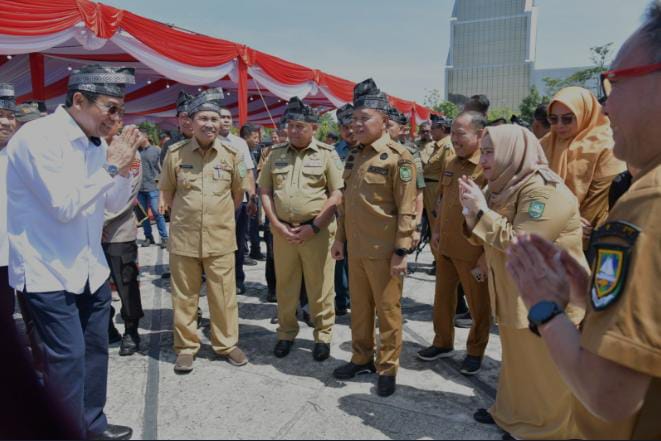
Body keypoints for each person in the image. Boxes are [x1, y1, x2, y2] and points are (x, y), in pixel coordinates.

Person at [505, 4, 661, 438]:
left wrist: (544, 308)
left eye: (614, 85)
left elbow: (609, 395)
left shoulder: (648, 203)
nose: (608, 108)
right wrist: (592, 291)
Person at [7, 65, 138, 439]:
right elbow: (64, 206)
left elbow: (109, 202)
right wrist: (112, 163)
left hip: (89, 268)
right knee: (66, 363)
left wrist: (124, 169)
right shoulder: (38, 138)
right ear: (79, 100)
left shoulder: (95, 143)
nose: (116, 118)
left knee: (95, 354)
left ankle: (92, 426)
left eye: (120, 110)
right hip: (49, 271)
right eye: (110, 108)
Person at [457, 124, 593, 439]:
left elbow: (523, 241)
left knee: (548, 374)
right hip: (513, 293)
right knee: (519, 367)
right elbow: (483, 237)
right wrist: (472, 213)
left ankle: (547, 430)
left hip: (548, 298)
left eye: (491, 151)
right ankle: (513, 415)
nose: (483, 159)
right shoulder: (500, 185)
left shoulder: (545, 190)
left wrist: (480, 211)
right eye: (484, 150)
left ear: (512, 151)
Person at [331, 78, 417, 397]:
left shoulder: (399, 157)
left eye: (364, 118)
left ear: (384, 121)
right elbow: (346, 203)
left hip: (384, 252)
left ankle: (387, 366)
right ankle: (361, 357)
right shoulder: (354, 155)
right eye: (354, 118)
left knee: (388, 312)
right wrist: (339, 239)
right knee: (361, 310)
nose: (357, 124)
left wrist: (401, 250)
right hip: (356, 249)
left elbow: (407, 210)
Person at [159, 88, 250, 373]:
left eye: (214, 118)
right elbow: (167, 194)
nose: (210, 123)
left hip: (221, 237)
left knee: (223, 295)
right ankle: (186, 347)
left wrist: (216, 218)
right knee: (184, 296)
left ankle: (226, 344)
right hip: (184, 238)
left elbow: (238, 195)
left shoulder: (232, 154)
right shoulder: (174, 154)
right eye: (203, 118)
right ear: (191, 121)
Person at [259, 97, 343, 361]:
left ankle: (323, 335)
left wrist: (315, 226)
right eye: (291, 126)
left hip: (316, 233)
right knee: (286, 286)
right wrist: (275, 223)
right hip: (283, 232)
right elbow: (265, 190)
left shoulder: (327, 154)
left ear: (314, 128)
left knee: (320, 288)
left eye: (300, 126)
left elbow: (337, 194)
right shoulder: (275, 154)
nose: (293, 131)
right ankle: (285, 333)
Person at [418, 112, 491, 376]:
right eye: (453, 133)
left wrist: (485, 254)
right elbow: (440, 201)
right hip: (445, 245)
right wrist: (436, 230)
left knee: (478, 304)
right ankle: (442, 342)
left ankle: (474, 351)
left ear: (480, 134)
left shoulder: (487, 166)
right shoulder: (450, 161)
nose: (454, 139)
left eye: (461, 133)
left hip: (472, 248)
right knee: (443, 299)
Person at [541, 86, 626, 246]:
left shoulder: (606, 147)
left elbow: (596, 203)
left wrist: (567, 228)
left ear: (585, 114)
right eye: (553, 119)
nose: (559, 125)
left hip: (586, 239)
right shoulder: (545, 143)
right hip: (546, 232)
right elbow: (531, 189)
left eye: (567, 119)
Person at [103, 122, 144, 357]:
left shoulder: (129, 151)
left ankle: (131, 330)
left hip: (118, 229)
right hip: (88, 231)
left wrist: (102, 222)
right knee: (95, 286)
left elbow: (130, 192)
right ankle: (106, 326)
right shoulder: (87, 147)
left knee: (126, 282)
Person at [219, 114, 257, 293]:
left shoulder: (239, 143)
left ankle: (237, 279)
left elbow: (248, 170)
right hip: (216, 203)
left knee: (238, 242)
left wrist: (252, 197)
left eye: (228, 117)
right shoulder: (207, 142)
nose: (225, 120)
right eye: (221, 117)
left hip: (238, 202)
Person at [386, 106, 426, 250]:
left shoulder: (410, 153)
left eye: (389, 126)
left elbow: (419, 191)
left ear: (402, 129)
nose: (385, 129)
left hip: (403, 220)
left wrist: (417, 227)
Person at [332, 104, 356, 315]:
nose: (349, 131)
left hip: (363, 215)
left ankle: (359, 301)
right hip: (339, 214)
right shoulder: (333, 152)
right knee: (339, 260)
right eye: (344, 127)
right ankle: (341, 300)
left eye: (352, 126)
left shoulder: (367, 150)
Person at [423, 114, 455, 246]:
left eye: (433, 128)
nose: (431, 131)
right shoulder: (439, 146)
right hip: (430, 190)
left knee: (436, 228)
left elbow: (447, 174)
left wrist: (441, 197)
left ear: (442, 128)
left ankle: (439, 262)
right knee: (432, 227)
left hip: (436, 191)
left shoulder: (447, 147)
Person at [0, 83, 16, 319]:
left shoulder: (19, 154)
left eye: (10, 116)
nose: (6, 122)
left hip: (11, 255)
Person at [137, 130, 168, 248]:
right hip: (139, 189)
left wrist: (162, 185)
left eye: (138, 136)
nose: (136, 138)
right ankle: (148, 237)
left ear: (145, 137)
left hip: (154, 187)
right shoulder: (135, 152)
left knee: (157, 212)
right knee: (143, 215)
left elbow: (162, 169)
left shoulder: (156, 150)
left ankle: (164, 238)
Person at [240, 123, 264, 262]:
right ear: (245, 137)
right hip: (245, 194)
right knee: (245, 225)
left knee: (254, 223)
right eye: (254, 137)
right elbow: (244, 173)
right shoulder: (240, 151)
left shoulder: (255, 151)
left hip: (254, 192)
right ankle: (243, 253)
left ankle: (255, 250)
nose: (257, 140)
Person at [160, 91, 194, 166]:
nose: (188, 122)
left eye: (191, 116)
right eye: (183, 117)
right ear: (177, 119)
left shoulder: (205, 141)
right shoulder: (170, 145)